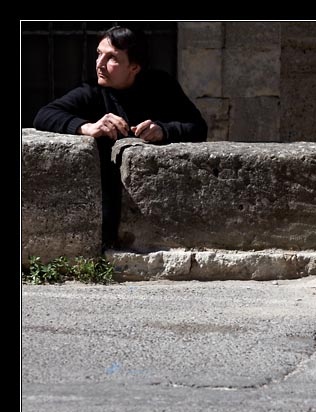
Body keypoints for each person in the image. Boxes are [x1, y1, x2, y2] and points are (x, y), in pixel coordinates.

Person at [33, 25, 208, 249]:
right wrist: (86, 127)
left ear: (134, 67)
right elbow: (44, 115)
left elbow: (197, 127)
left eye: (112, 58)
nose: (99, 64)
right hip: (104, 204)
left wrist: (163, 130)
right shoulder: (92, 91)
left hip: (158, 213)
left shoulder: (160, 86)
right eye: (99, 54)